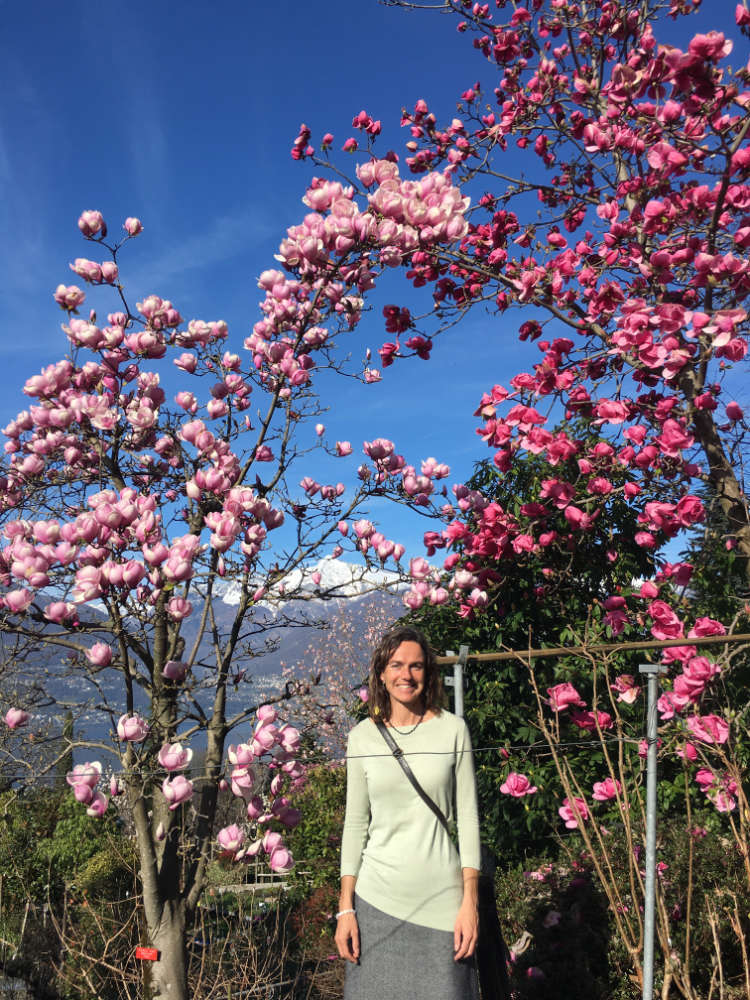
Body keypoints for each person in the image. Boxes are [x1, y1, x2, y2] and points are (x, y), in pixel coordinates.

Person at [335, 625, 481, 1000]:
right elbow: (355, 825)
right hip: (375, 905)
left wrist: (470, 903)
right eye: (397, 665)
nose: (406, 675)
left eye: (416, 666)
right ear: (381, 673)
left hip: (443, 906)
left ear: (427, 673)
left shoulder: (453, 730)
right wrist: (345, 909)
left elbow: (467, 819)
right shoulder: (362, 737)